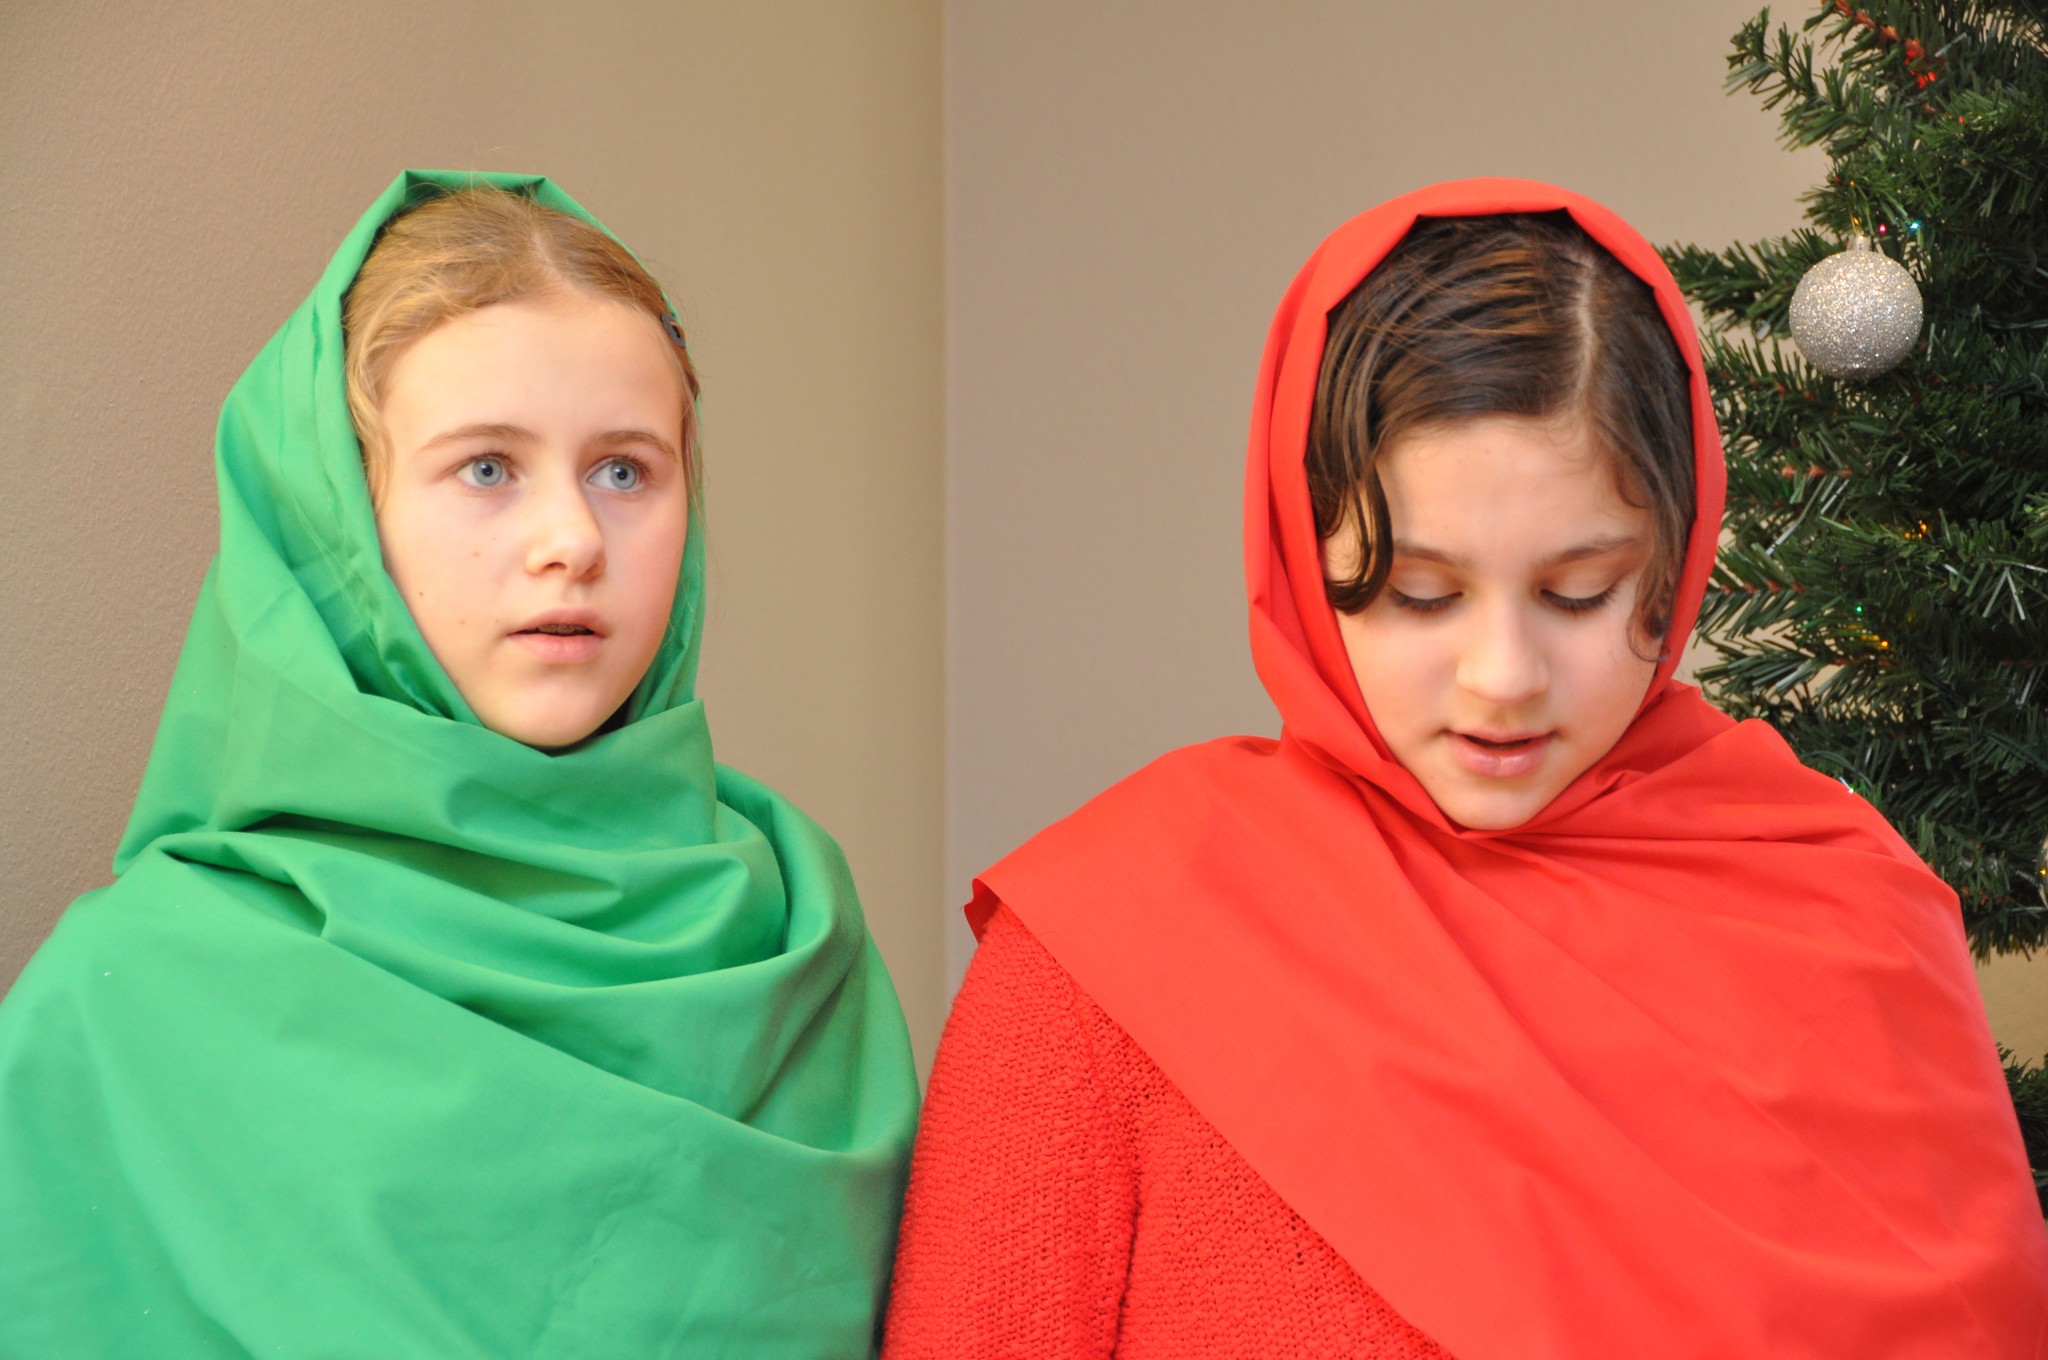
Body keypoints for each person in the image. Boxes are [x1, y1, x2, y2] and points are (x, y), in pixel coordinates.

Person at [882, 180, 2048, 1358]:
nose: (1502, 676)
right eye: (1419, 594)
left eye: (1576, 592)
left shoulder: (1849, 923)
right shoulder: (1109, 941)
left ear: (1674, 561)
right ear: (1304, 554)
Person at [0, 170, 919, 1358]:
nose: (571, 540)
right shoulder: (125, 1008)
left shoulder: (797, 938)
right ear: (334, 515)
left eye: (625, 470)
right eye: (486, 468)